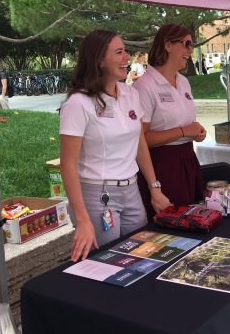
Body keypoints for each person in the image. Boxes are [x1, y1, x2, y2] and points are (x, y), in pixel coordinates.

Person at [59, 30, 170, 262]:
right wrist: (82, 220)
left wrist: (154, 187)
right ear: (99, 59)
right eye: (119, 52)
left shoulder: (130, 94)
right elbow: (67, 164)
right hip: (98, 194)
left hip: (132, 191)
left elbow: (139, 143)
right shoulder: (78, 104)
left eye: (125, 51)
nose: (127, 57)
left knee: (138, 258)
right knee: (108, 263)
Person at [133, 24, 207, 219]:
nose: (190, 50)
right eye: (187, 44)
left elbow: (188, 124)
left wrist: (197, 132)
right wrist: (183, 131)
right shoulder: (145, 86)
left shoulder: (183, 81)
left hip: (188, 160)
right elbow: (141, 139)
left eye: (192, 45)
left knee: (194, 222)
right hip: (163, 165)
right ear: (167, 45)